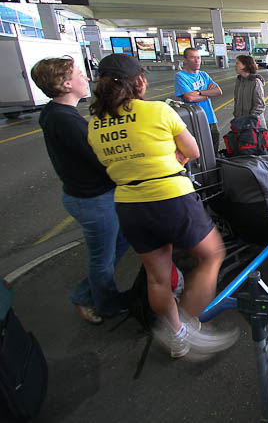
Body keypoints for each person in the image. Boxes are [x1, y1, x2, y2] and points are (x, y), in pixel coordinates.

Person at [87, 54, 238, 358]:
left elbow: (110, 164)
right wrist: (174, 159)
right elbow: (193, 151)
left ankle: (176, 332)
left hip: (129, 204)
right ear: (139, 82)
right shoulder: (158, 110)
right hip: (171, 197)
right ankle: (188, 323)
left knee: (157, 277)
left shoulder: (95, 124)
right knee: (211, 256)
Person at [30, 57, 130, 325]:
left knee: (122, 242)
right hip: (93, 200)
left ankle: (86, 293)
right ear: (64, 84)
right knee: (102, 259)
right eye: (78, 74)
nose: (86, 78)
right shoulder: (66, 121)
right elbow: (100, 161)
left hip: (86, 196)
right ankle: (104, 304)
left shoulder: (54, 112)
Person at [175, 47, 222, 151]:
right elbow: (190, 98)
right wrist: (209, 94)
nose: (197, 61)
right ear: (185, 60)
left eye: (198, 58)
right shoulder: (180, 76)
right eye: (192, 58)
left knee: (214, 146)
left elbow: (218, 91)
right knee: (200, 149)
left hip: (210, 118)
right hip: (194, 119)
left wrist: (199, 93)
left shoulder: (203, 75)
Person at [233, 55, 266, 126]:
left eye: (237, 63)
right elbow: (236, 101)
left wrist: (249, 120)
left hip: (254, 125)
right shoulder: (239, 81)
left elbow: (260, 105)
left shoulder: (255, 82)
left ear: (245, 65)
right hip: (241, 123)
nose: (235, 66)